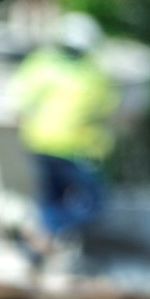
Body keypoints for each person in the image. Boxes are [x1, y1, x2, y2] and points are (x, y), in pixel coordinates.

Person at [9, 14, 119, 256]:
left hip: (38, 143)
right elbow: (107, 111)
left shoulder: (40, 63)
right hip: (75, 149)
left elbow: (18, 104)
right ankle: (43, 229)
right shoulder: (93, 75)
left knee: (50, 198)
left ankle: (36, 247)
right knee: (92, 204)